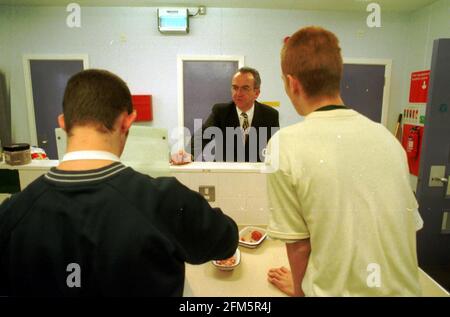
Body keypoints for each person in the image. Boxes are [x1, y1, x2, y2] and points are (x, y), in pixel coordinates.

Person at [0, 69, 239, 296]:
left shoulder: (10, 214)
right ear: (127, 122)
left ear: (63, 122)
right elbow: (227, 240)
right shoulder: (165, 201)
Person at [265, 26, 423, 296]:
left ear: (292, 83)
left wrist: (300, 288)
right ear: (337, 77)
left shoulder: (284, 145)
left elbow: (300, 246)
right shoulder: (389, 141)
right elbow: (405, 228)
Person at [173, 67, 279, 164]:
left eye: (245, 88)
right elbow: (201, 137)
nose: (238, 93)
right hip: (225, 172)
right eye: (235, 88)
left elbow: (275, 149)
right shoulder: (221, 112)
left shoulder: (270, 115)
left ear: (256, 93)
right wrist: (189, 154)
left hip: (256, 174)